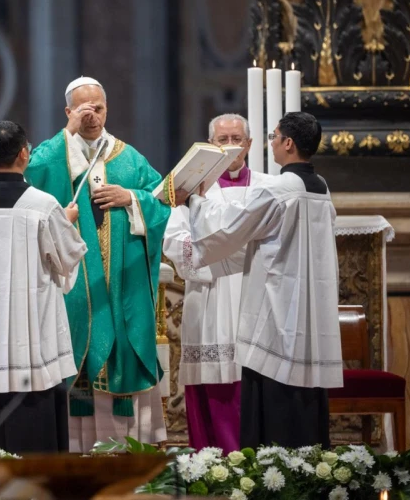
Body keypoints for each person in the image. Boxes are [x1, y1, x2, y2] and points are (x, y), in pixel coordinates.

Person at [176, 111, 342, 449]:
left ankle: (274, 474)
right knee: (307, 399)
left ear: (288, 143)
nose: (272, 142)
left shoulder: (280, 189)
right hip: (309, 311)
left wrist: (193, 200)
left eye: (275, 135)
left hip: (276, 312)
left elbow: (230, 228)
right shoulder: (321, 189)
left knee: (275, 401)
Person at [25, 77, 172, 452]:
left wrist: (131, 198)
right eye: (83, 108)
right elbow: (31, 176)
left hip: (122, 283)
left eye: (98, 108)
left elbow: (162, 202)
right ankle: (77, 450)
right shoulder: (56, 152)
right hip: (77, 285)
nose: (92, 115)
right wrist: (68, 133)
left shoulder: (128, 156)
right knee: (80, 350)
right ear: (69, 111)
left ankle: (127, 448)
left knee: (120, 346)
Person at [0, 121, 87, 456]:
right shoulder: (43, 206)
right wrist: (67, 222)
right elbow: (67, 259)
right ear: (24, 153)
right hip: (30, 338)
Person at [162, 114, 253, 453]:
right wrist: (212, 257)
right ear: (209, 146)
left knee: (248, 380)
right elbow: (174, 238)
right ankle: (210, 458)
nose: (230, 146)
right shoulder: (190, 190)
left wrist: (220, 250)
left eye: (236, 139)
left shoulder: (265, 187)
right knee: (209, 381)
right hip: (209, 294)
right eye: (222, 140)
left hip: (249, 295)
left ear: (249, 145)